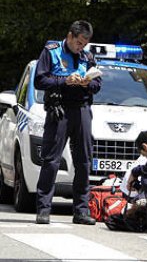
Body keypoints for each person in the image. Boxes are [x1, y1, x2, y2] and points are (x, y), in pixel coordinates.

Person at [34, 20, 101, 225]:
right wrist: (64, 81)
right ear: (70, 36)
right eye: (78, 43)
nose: (81, 48)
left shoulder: (87, 57)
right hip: (59, 109)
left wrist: (88, 83)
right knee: (51, 161)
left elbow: (98, 84)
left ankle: (81, 211)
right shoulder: (51, 51)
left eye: (84, 44)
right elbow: (40, 80)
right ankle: (44, 209)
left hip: (81, 109)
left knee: (83, 161)